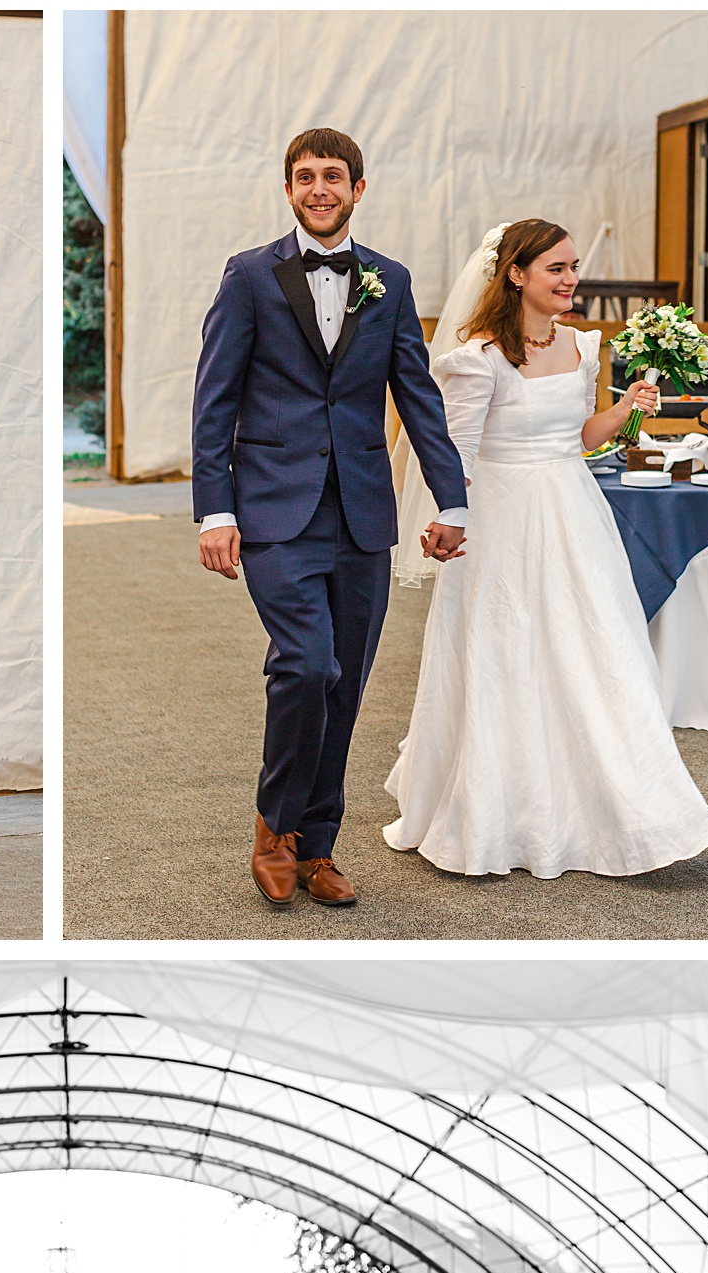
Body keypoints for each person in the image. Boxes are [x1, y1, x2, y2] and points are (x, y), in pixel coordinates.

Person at [382, 218, 708, 880]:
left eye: (574, 267)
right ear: (517, 274)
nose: (572, 280)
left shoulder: (582, 344)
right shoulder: (479, 357)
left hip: (573, 512)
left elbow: (585, 435)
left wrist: (634, 407)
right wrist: (449, 517)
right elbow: (452, 451)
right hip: (501, 517)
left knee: (601, 644)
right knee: (504, 653)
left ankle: (628, 805)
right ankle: (498, 812)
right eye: (557, 269)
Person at [192, 128, 468, 911]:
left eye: (334, 176)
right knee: (307, 665)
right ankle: (273, 829)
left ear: (358, 188)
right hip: (273, 510)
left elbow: (417, 396)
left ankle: (318, 850)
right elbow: (214, 399)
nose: (320, 188)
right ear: (288, 190)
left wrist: (450, 498)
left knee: (344, 687)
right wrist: (215, 508)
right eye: (305, 177)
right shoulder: (249, 276)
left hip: (361, 517)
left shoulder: (390, 280)